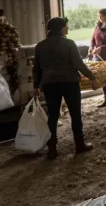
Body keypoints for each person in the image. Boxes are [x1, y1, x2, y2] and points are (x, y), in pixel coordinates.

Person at [33, 17, 98, 159]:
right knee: (75, 114)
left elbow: (36, 68)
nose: (67, 28)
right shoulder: (69, 43)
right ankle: (79, 145)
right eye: (66, 26)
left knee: (53, 116)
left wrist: (36, 86)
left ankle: (52, 149)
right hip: (69, 82)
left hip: (49, 84)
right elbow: (79, 64)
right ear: (61, 28)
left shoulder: (40, 45)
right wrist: (92, 77)